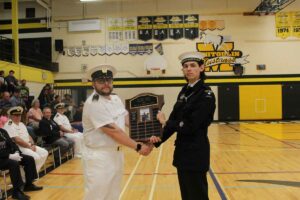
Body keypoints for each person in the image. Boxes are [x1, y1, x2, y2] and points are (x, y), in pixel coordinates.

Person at [150, 52, 216, 200]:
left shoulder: (206, 94)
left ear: (201, 68)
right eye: (185, 66)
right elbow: (175, 118)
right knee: (187, 195)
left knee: (197, 195)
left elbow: (190, 126)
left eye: (193, 65)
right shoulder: (185, 91)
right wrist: (156, 140)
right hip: (183, 154)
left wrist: (166, 122)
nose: (189, 69)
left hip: (196, 153)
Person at [82, 64, 152, 200]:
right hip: (99, 157)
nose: (106, 84)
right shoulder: (94, 103)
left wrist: (146, 134)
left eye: (108, 80)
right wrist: (138, 146)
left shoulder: (115, 98)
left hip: (116, 154)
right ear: (93, 83)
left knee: (113, 195)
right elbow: (114, 132)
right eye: (101, 81)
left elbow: (127, 120)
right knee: (96, 196)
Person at [0, 128, 43, 200]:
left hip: (9, 156)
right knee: (14, 164)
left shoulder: (3, 131)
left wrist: (17, 152)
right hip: (2, 158)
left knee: (29, 159)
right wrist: (9, 156)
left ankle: (29, 184)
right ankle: (16, 192)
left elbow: (12, 143)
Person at [3, 106, 49, 173]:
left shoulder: (21, 124)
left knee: (44, 152)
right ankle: (26, 176)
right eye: (16, 115)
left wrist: (33, 144)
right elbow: (17, 140)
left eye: (19, 115)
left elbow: (29, 136)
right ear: (11, 116)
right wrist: (29, 147)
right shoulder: (9, 125)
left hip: (28, 145)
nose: (18, 117)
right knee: (36, 157)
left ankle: (32, 173)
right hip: (19, 148)